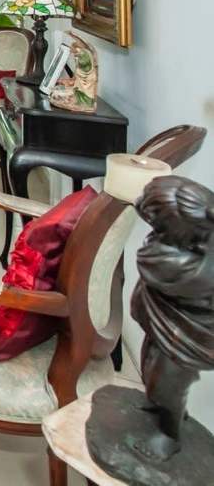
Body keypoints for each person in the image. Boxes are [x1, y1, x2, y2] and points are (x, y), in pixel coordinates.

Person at [130, 175, 214, 460]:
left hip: (189, 337)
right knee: (151, 367)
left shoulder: (174, 262)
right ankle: (162, 408)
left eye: (154, 220)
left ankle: (170, 435)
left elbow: (151, 261)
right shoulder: (194, 246)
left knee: (166, 382)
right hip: (167, 328)